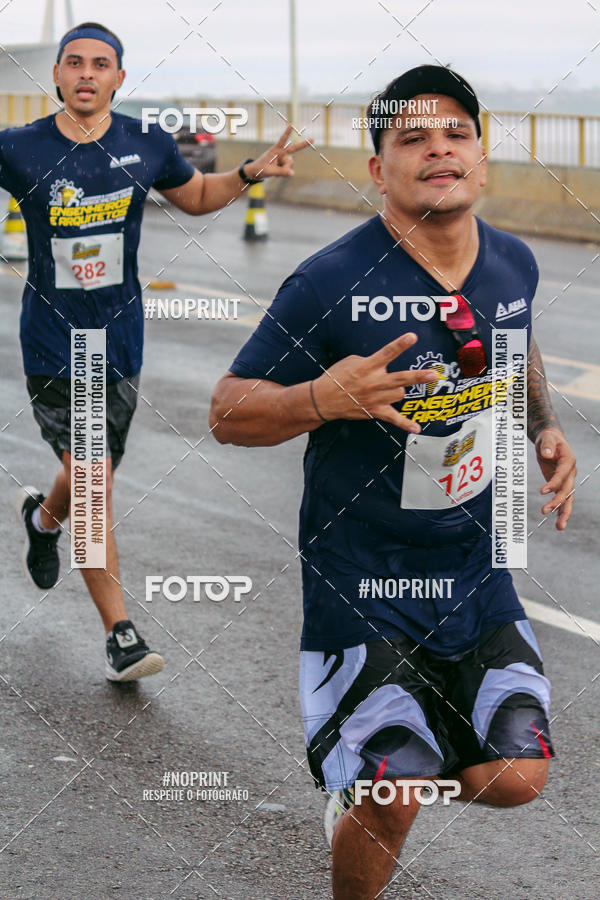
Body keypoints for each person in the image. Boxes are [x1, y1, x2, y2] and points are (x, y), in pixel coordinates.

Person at [209, 65, 577, 898]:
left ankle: (367, 775)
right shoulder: (330, 282)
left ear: (480, 158)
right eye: (412, 139)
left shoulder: (512, 263)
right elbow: (226, 411)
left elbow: (514, 347)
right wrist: (321, 396)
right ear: (379, 170)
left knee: (518, 777)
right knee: (397, 793)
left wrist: (545, 426)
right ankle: (376, 780)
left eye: (455, 135)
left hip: (473, 575)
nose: (438, 150)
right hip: (360, 576)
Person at [1, 21, 308, 682]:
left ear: (119, 77)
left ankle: (43, 517)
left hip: (121, 342)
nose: (86, 73)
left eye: (101, 64)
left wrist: (252, 170)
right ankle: (120, 634)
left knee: (89, 474)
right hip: (55, 345)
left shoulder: (144, 143)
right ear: (55, 76)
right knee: (95, 481)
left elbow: (195, 197)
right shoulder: (19, 148)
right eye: (74, 63)